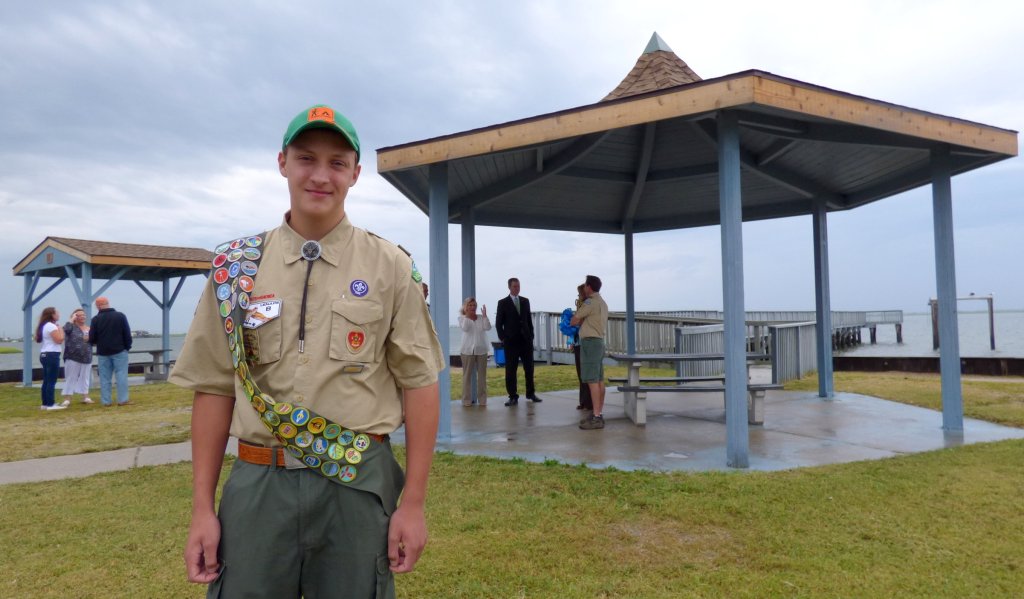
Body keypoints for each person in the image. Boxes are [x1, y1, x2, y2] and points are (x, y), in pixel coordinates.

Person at [169, 103, 444, 599]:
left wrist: (414, 504)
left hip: (356, 484)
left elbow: (419, 382)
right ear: (282, 163)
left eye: (337, 163)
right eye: (306, 159)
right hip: (258, 485)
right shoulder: (235, 269)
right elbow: (213, 388)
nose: (321, 175)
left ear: (356, 174)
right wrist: (201, 509)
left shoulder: (391, 266)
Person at [571, 275, 609, 430]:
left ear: (589, 287)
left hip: (590, 343)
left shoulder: (590, 302)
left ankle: (597, 417)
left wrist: (578, 319)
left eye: (585, 285)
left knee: (592, 381)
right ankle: (597, 412)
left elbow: (575, 319)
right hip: (599, 342)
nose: (584, 288)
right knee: (599, 379)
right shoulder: (603, 303)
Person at [495, 277, 540, 406]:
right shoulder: (503, 302)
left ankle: (530, 393)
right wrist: (503, 338)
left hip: (525, 340)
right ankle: (513, 396)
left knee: (529, 368)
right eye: (515, 286)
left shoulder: (525, 301)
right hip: (511, 341)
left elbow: (528, 320)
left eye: (518, 286)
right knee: (511, 370)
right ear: (509, 287)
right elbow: (499, 323)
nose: (517, 288)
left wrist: (531, 335)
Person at [88, 296, 132, 407]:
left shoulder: (95, 319)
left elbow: (92, 338)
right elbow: (127, 333)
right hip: (120, 350)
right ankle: (123, 400)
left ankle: (106, 401)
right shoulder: (120, 316)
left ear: (97, 306)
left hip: (103, 352)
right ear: (108, 303)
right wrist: (127, 347)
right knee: (121, 375)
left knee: (104, 377)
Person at [458, 297, 491, 407]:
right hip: (467, 350)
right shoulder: (462, 318)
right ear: (466, 307)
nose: (472, 307)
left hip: (481, 350)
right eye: (470, 305)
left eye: (474, 305)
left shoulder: (481, 318)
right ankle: (466, 400)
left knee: (482, 376)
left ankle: (482, 400)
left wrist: (485, 316)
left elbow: (488, 327)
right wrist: (467, 316)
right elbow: (465, 329)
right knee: (467, 376)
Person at [35, 306, 67, 411]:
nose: (59, 314)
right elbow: (59, 340)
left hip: (44, 354)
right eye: (57, 313)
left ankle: (45, 403)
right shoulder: (51, 326)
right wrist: (61, 330)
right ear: (52, 315)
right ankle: (50, 404)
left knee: (46, 380)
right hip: (52, 354)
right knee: (52, 381)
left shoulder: (44, 325)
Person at [61, 307, 93, 405]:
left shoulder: (89, 328)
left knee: (85, 377)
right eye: (79, 315)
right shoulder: (71, 327)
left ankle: (85, 396)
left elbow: (95, 341)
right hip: (72, 356)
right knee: (71, 377)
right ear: (75, 317)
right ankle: (67, 398)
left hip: (86, 356)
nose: (82, 317)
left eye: (84, 315)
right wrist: (71, 320)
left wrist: (90, 339)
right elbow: (65, 330)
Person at [571, 284, 593, 413]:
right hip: (578, 342)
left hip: (585, 343)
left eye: (579, 294)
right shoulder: (581, 306)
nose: (578, 297)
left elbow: (579, 322)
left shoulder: (588, 306)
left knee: (586, 374)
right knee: (581, 374)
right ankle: (583, 401)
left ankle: (588, 402)